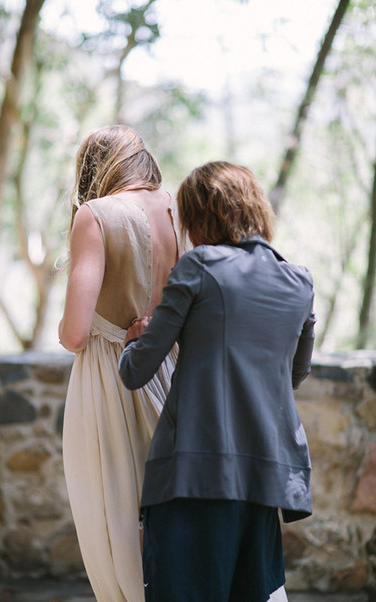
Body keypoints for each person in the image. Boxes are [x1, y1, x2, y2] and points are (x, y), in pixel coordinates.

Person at [119, 161, 316, 602]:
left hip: (193, 476)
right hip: (264, 479)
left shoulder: (198, 267)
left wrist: (133, 342)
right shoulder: (299, 281)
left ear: (199, 217)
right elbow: (294, 375)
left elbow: (136, 372)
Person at [58, 125, 187, 602]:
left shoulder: (95, 216)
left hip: (109, 384)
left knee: (117, 519)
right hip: (174, 375)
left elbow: (74, 334)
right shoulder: (180, 210)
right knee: (174, 512)